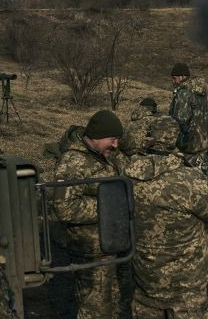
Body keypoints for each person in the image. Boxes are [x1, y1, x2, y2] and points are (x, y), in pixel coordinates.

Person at [123, 116, 208, 318]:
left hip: (145, 281)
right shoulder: (189, 180)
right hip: (185, 288)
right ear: (176, 139)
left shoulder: (127, 177)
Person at [52, 109, 130, 318]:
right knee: (94, 309)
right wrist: (109, 207)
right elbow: (64, 207)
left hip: (114, 245)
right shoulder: (73, 163)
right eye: (112, 139)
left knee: (114, 305)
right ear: (95, 138)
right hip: (91, 250)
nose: (115, 144)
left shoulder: (107, 154)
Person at [168, 62, 208, 170]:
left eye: (174, 78)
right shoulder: (201, 93)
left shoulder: (183, 93)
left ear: (182, 77)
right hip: (203, 144)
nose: (173, 81)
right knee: (203, 180)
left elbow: (179, 120)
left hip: (188, 146)